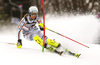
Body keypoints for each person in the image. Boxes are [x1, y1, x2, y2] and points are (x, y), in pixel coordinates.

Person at [16, 6, 81, 58]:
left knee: (47, 40)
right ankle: (46, 46)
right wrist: (19, 40)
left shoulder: (37, 18)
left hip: (35, 30)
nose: (34, 16)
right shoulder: (24, 20)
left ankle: (58, 46)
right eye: (32, 14)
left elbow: (41, 24)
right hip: (27, 34)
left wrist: (42, 27)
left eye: (35, 14)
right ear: (29, 13)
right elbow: (18, 30)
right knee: (35, 37)